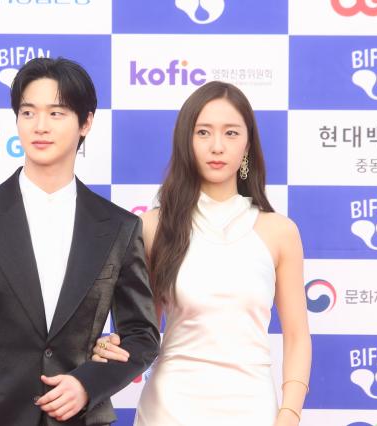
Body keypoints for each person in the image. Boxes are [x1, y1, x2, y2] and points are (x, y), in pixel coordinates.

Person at [0, 57, 160, 426]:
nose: (40, 126)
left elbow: (142, 335)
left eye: (57, 113)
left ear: (86, 123)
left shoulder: (120, 227)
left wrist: (88, 384)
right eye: (28, 112)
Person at [92, 81, 311, 425]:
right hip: (171, 407)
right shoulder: (153, 227)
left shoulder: (280, 232)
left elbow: (297, 335)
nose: (217, 146)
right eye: (204, 132)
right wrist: (110, 347)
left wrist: (290, 412)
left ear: (248, 144)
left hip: (253, 408)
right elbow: (141, 330)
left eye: (231, 133)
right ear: (186, 141)